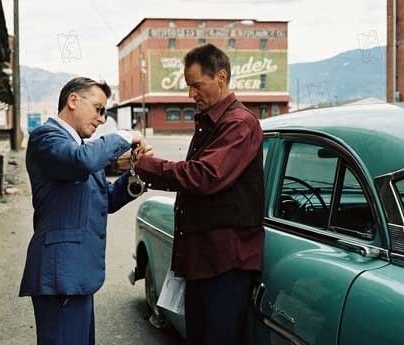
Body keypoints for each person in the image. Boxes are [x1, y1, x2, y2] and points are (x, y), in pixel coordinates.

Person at [134, 44, 264, 345]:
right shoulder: (210, 122)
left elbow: (204, 176)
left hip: (225, 263)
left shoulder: (239, 123)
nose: (191, 94)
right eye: (189, 86)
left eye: (197, 85)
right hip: (202, 259)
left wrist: (143, 164)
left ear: (221, 76)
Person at [19, 77, 152, 345]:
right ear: (73, 100)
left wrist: (138, 171)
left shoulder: (79, 149)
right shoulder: (46, 138)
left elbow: (105, 200)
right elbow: (83, 162)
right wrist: (128, 136)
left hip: (76, 274)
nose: (102, 119)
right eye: (99, 109)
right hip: (61, 276)